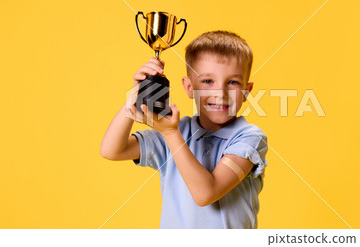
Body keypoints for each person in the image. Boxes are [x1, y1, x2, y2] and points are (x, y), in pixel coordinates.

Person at [100, 30, 268, 228]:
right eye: (207, 81)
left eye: (232, 82)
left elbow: (206, 193)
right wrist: (137, 93)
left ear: (246, 91)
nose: (220, 93)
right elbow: (112, 150)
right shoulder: (177, 131)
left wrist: (170, 134)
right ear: (189, 87)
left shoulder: (249, 138)